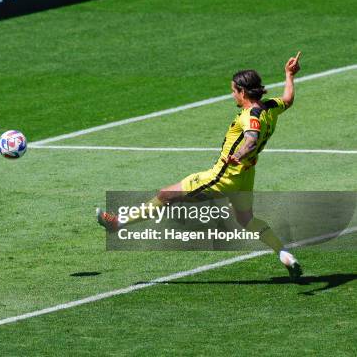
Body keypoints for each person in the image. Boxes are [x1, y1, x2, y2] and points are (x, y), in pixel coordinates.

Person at [97, 53, 303, 280]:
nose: (232, 94)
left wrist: (238, 154)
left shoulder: (250, 115)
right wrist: (289, 75)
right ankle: (284, 254)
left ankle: (118, 223)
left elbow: (251, 138)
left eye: (233, 90)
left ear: (242, 92)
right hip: (246, 176)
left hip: (224, 177)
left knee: (167, 194)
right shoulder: (270, 107)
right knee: (246, 219)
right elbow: (288, 99)